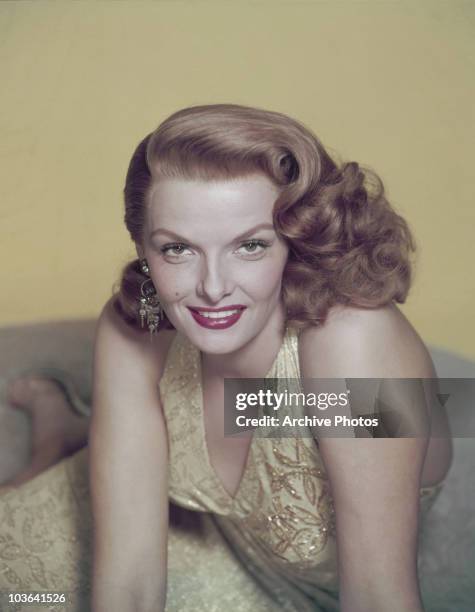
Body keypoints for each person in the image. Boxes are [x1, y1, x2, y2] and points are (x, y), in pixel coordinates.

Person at [0, 104, 452, 612]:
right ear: (143, 247)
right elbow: (128, 578)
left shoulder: (357, 343)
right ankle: (61, 439)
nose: (212, 289)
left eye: (251, 246)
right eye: (177, 250)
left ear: (296, 242)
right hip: (213, 534)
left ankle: (65, 435)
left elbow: (378, 597)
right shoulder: (140, 320)